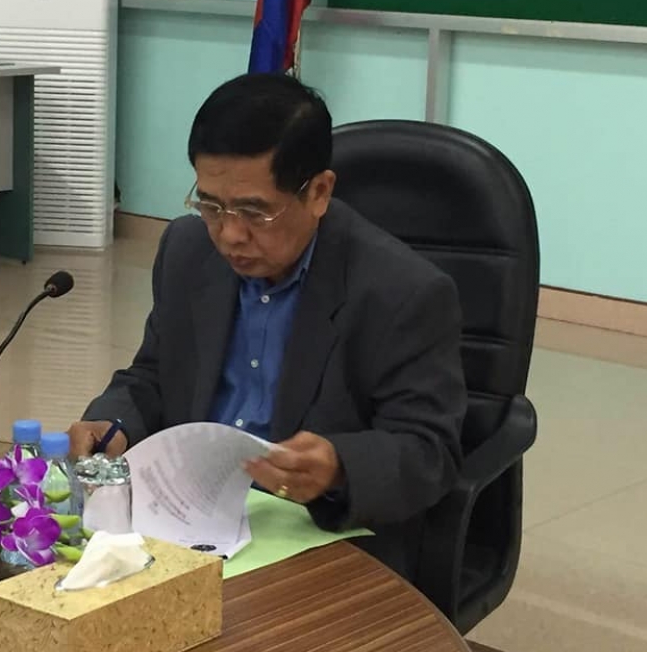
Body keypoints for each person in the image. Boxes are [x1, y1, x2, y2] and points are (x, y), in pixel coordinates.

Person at [68, 72, 467, 579]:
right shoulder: (188, 251)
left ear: (319, 192)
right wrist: (113, 422)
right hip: (187, 520)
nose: (230, 234)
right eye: (211, 205)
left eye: (255, 212)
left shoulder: (401, 291)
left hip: (315, 536)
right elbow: (153, 375)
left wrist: (339, 465)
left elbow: (429, 452)